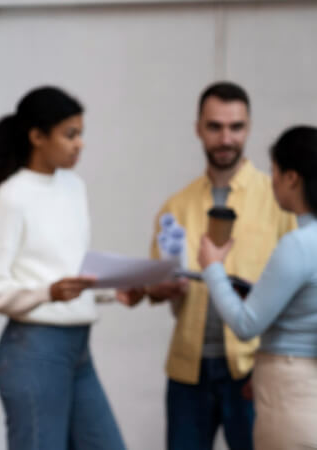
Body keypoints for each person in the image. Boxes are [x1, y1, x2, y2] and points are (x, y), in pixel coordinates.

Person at [121, 81, 297, 450]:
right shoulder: (176, 206)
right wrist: (157, 288)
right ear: (198, 128)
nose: (226, 138)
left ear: (248, 128)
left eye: (236, 127)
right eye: (215, 126)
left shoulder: (279, 199)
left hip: (252, 368)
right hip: (188, 369)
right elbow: (156, 281)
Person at [0, 86, 126, 449]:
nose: (80, 144)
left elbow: (69, 270)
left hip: (79, 351)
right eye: (70, 135)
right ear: (37, 137)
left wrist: (116, 291)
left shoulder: (74, 187)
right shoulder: (11, 196)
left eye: (81, 134)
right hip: (34, 351)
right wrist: (48, 292)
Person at [198, 125, 317, 449]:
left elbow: (246, 324)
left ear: (292, 178)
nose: (273, 181)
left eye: (275, 171)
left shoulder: (299, 244)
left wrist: (212, 268)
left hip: (291, 392)